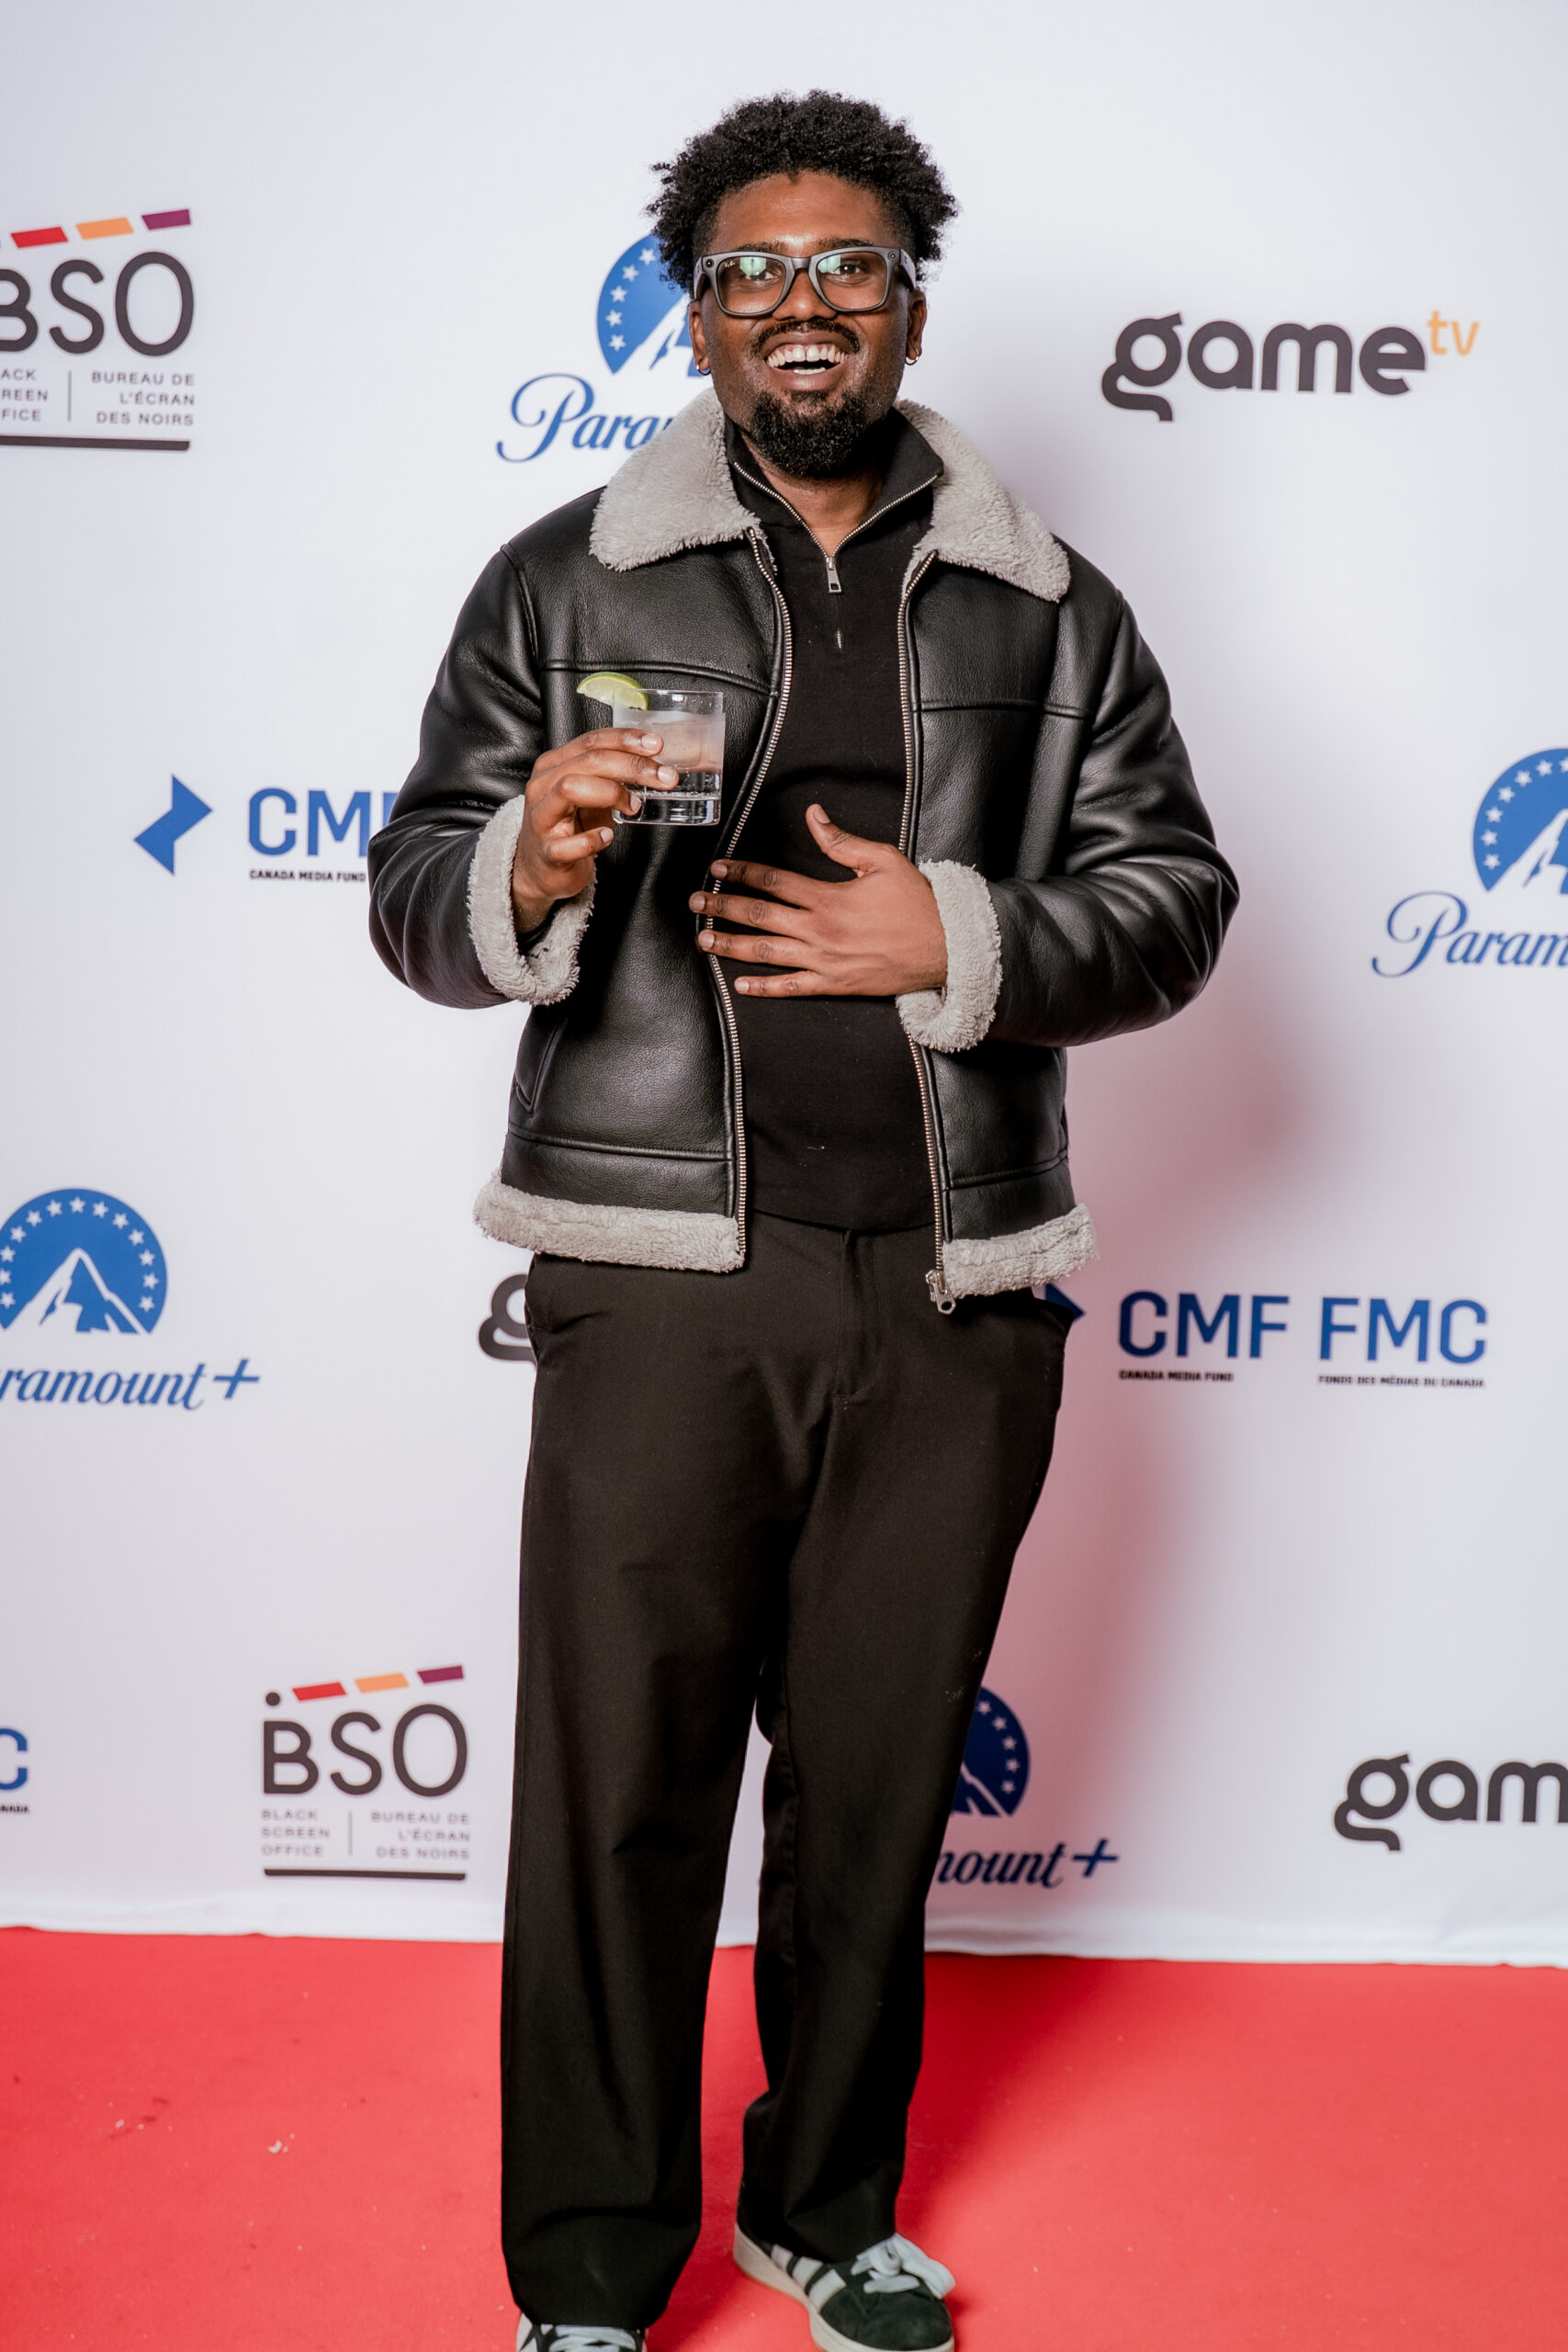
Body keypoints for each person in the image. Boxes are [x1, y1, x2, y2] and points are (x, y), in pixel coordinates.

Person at [369, 89, 1235, 2352]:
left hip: (952, 1284)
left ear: (907, 303)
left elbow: (1173, 895)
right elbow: (415, 895)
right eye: (749, 271)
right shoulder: (565, 579)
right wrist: (528, 855)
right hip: (663, 1275)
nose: (799, 303)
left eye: (843, 263)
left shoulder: (1046, 601)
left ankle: (824, 2206)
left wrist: (953, 934)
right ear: (697, 316)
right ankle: (586, 2267)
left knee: (873, 1788)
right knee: (620, 1788)